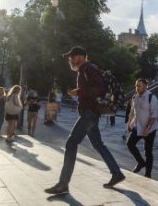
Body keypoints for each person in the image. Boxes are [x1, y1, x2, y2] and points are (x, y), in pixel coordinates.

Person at [45, 46, 125, 195]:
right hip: (90, 113)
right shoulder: (85, 70)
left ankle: (63, 184)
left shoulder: (88, 68)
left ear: (80, 57)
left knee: (71, 143)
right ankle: (117, 173)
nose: (70, 59)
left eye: (72, 56)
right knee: (98, 144)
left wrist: (79, 92)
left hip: (89, 114)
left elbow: (99, 88)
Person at [127, 79, 158, 178]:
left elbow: (154, 115)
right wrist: (129, 123)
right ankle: (141, 162)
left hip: (149, 128)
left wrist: (147, 128)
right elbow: (132, 111)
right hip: (138, 126)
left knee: (148, 151)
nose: (137, 88)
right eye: (136, 86)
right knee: (130, 144)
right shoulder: (134, 97)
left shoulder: (151, 97)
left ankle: (148, 174)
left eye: (139, 86)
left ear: (145, 86)